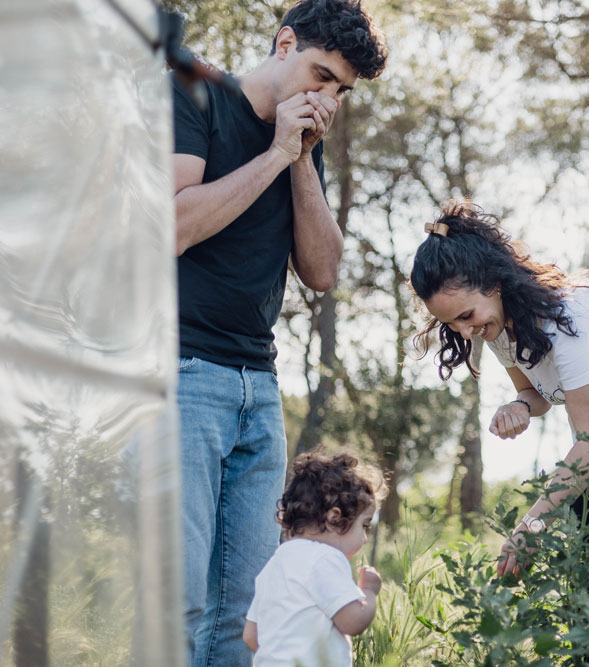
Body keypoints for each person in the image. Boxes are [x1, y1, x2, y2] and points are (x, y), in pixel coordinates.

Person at [170, 1, 387, 664]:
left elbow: (321, 271)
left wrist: (299, 160)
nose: (326, 97)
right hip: (180, 373)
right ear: (284, 42)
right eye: (320, 75)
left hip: (258, 388)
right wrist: (275, 153)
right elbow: (172, 226)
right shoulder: (197, 101)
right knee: (179, 599)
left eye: (340, 90)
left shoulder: (302, 145)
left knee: (244, 606)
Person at [409, 200, 589, 579]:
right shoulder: (498, 326)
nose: (466, 332)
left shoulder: (574, 319)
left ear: (495, 283)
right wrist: (519, 406)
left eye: (466, 316)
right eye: (452, 325)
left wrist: (530, 526)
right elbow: (535, 395)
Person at [243, 451, 385, 667]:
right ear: (334, 519)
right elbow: (353, 622)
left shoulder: (274, 564)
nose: (365, 538)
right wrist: (369, 592)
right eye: (364, 525)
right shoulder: (326, 559)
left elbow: (251, 636)